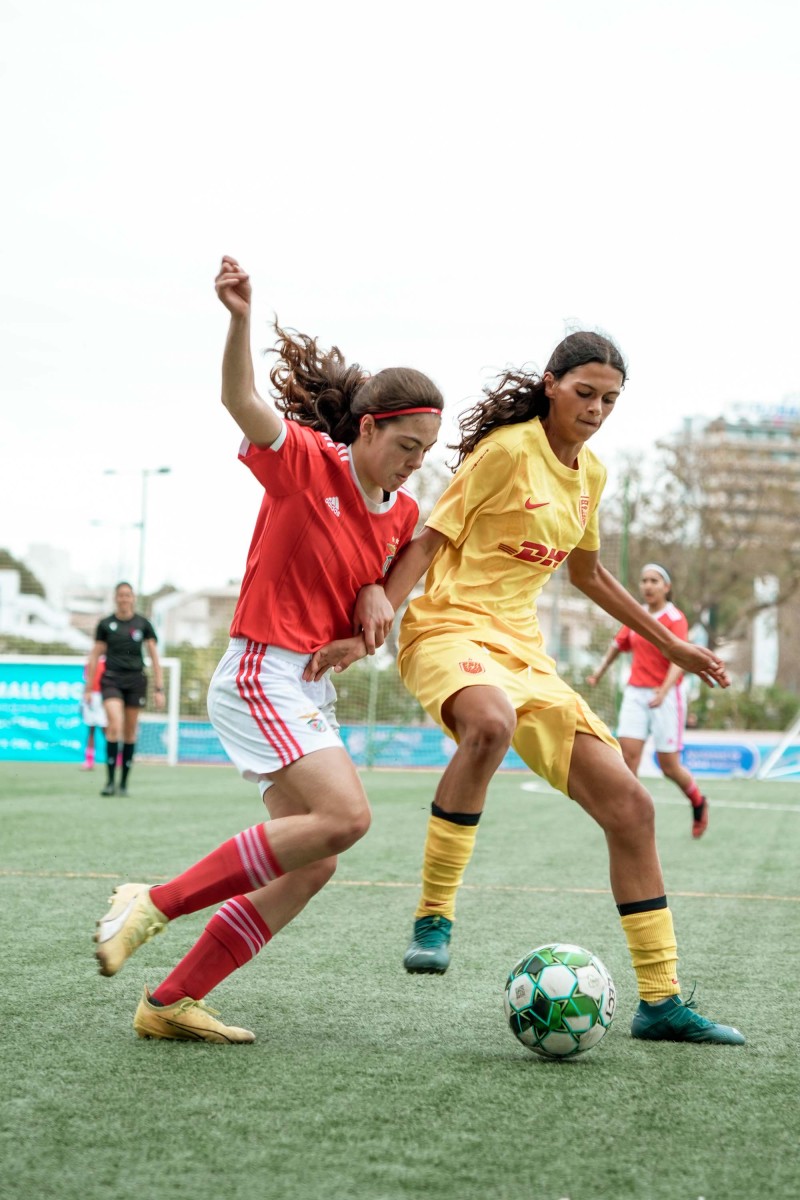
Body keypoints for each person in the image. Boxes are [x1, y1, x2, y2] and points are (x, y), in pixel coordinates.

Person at [307, 330, 744, 1046]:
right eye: (585, 393)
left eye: (610, 400)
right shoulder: (507, 452)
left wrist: (670, 643)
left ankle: (661, 1001)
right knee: (490, 723)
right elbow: (430, 540)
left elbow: (589, 574)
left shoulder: (592, 475)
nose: (596, 409)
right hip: (447, 631)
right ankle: (434, 915)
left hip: (524, 654)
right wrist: (371, 626)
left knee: (632, 807)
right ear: (551, 385)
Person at [92, 255, 443, 1043]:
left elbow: (374, 582)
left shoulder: (400, 511)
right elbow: (240, 400)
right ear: (367, 429)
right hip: (261, 669)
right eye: (406, 444)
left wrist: (376, 599)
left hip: (307, 685)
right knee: (346, 817)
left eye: (426, 448)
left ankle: (170, 1000)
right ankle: (152, 902)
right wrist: (241, 319)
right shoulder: (305, 462)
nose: (415, 460)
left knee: (314, 860)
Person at [587, 563, 709, 838]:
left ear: (667, 587)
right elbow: (618, 645)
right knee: (628, 757)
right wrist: (598, 672)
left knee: (669, 766)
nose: (648, 586)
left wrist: (664, 690)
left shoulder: (675, 618)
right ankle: (628, 819)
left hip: (665, 696)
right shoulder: (637, 614)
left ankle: (698, 801)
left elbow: (680, 658)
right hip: (635, 693)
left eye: (654, 580)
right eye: (644, 581)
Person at [84, 583, 165, 797]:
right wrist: (88, 688)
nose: (124, 599)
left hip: (135, 681)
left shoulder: (143, 624)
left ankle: (123, 784)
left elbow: (155, 657)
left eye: (127, 595)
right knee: (114, 725)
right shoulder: (105, 624)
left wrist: (159, 688)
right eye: (120, 595)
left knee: (129, 732)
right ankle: (110, 782)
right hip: (111, 680)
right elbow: (95, 656)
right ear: (115, 598)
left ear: (133, 598)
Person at [80, 654, 107, 770]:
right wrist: (86, 694)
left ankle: (116, 758)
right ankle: (89, 760)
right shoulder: (90, 662)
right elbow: (87, 680)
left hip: (103, 697)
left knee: (106, 730)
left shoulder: (108, 661)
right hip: (90, 698)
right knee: (91, 729)